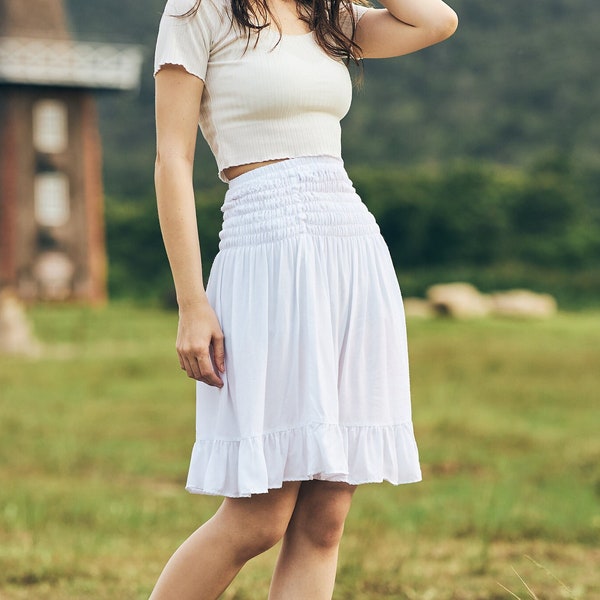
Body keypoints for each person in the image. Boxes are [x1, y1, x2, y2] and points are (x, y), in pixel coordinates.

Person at [150, 0, 457, 596]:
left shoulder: (328, 12)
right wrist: (192, 302)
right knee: (256, 518)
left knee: (326, 520)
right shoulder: (199, 10)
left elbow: (436, 21)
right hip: (265, 252)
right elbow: (172, 161)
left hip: (348, 249)